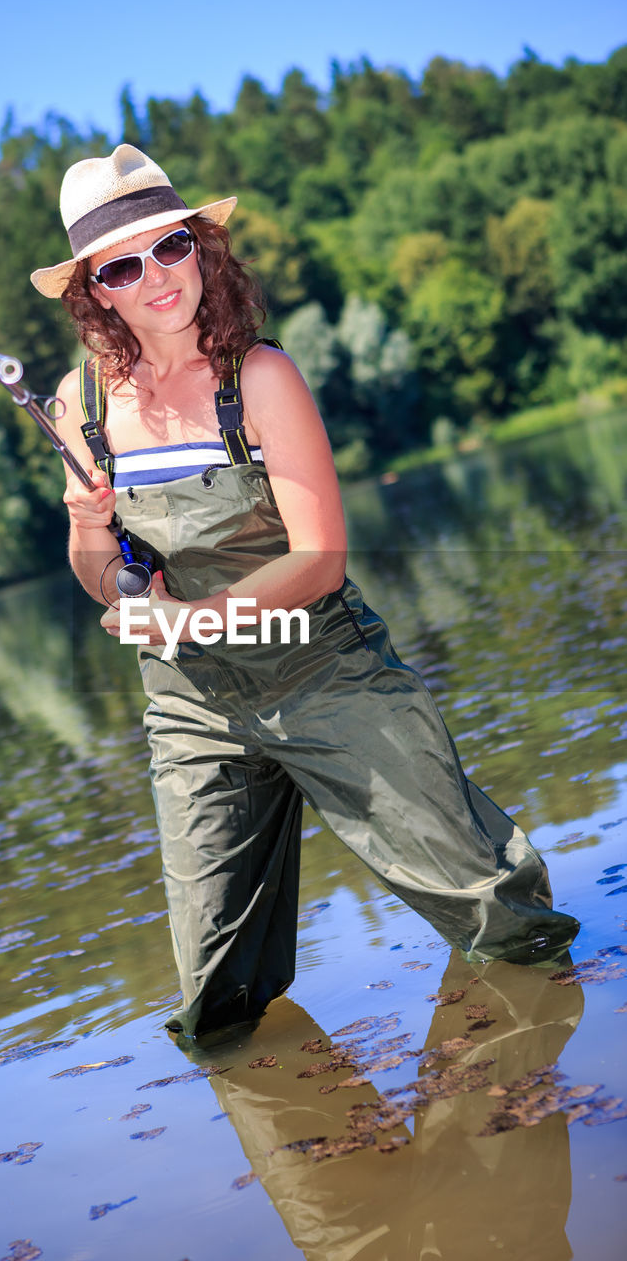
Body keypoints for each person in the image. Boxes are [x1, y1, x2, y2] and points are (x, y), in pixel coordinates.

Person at [30, 145, 579, 1041]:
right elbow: (94, 571)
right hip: (190, 708)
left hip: (325, 673)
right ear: (97, 290)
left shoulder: (262, 377)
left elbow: (320, 557)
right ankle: (306, 1162)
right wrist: (93, 535)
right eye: (123, 265)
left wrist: (192, 616)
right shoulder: (78, 402)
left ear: (202, 247)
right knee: (215, 1001)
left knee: (495, 916)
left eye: (170, 247)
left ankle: (537, 1094)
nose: (156, 276)